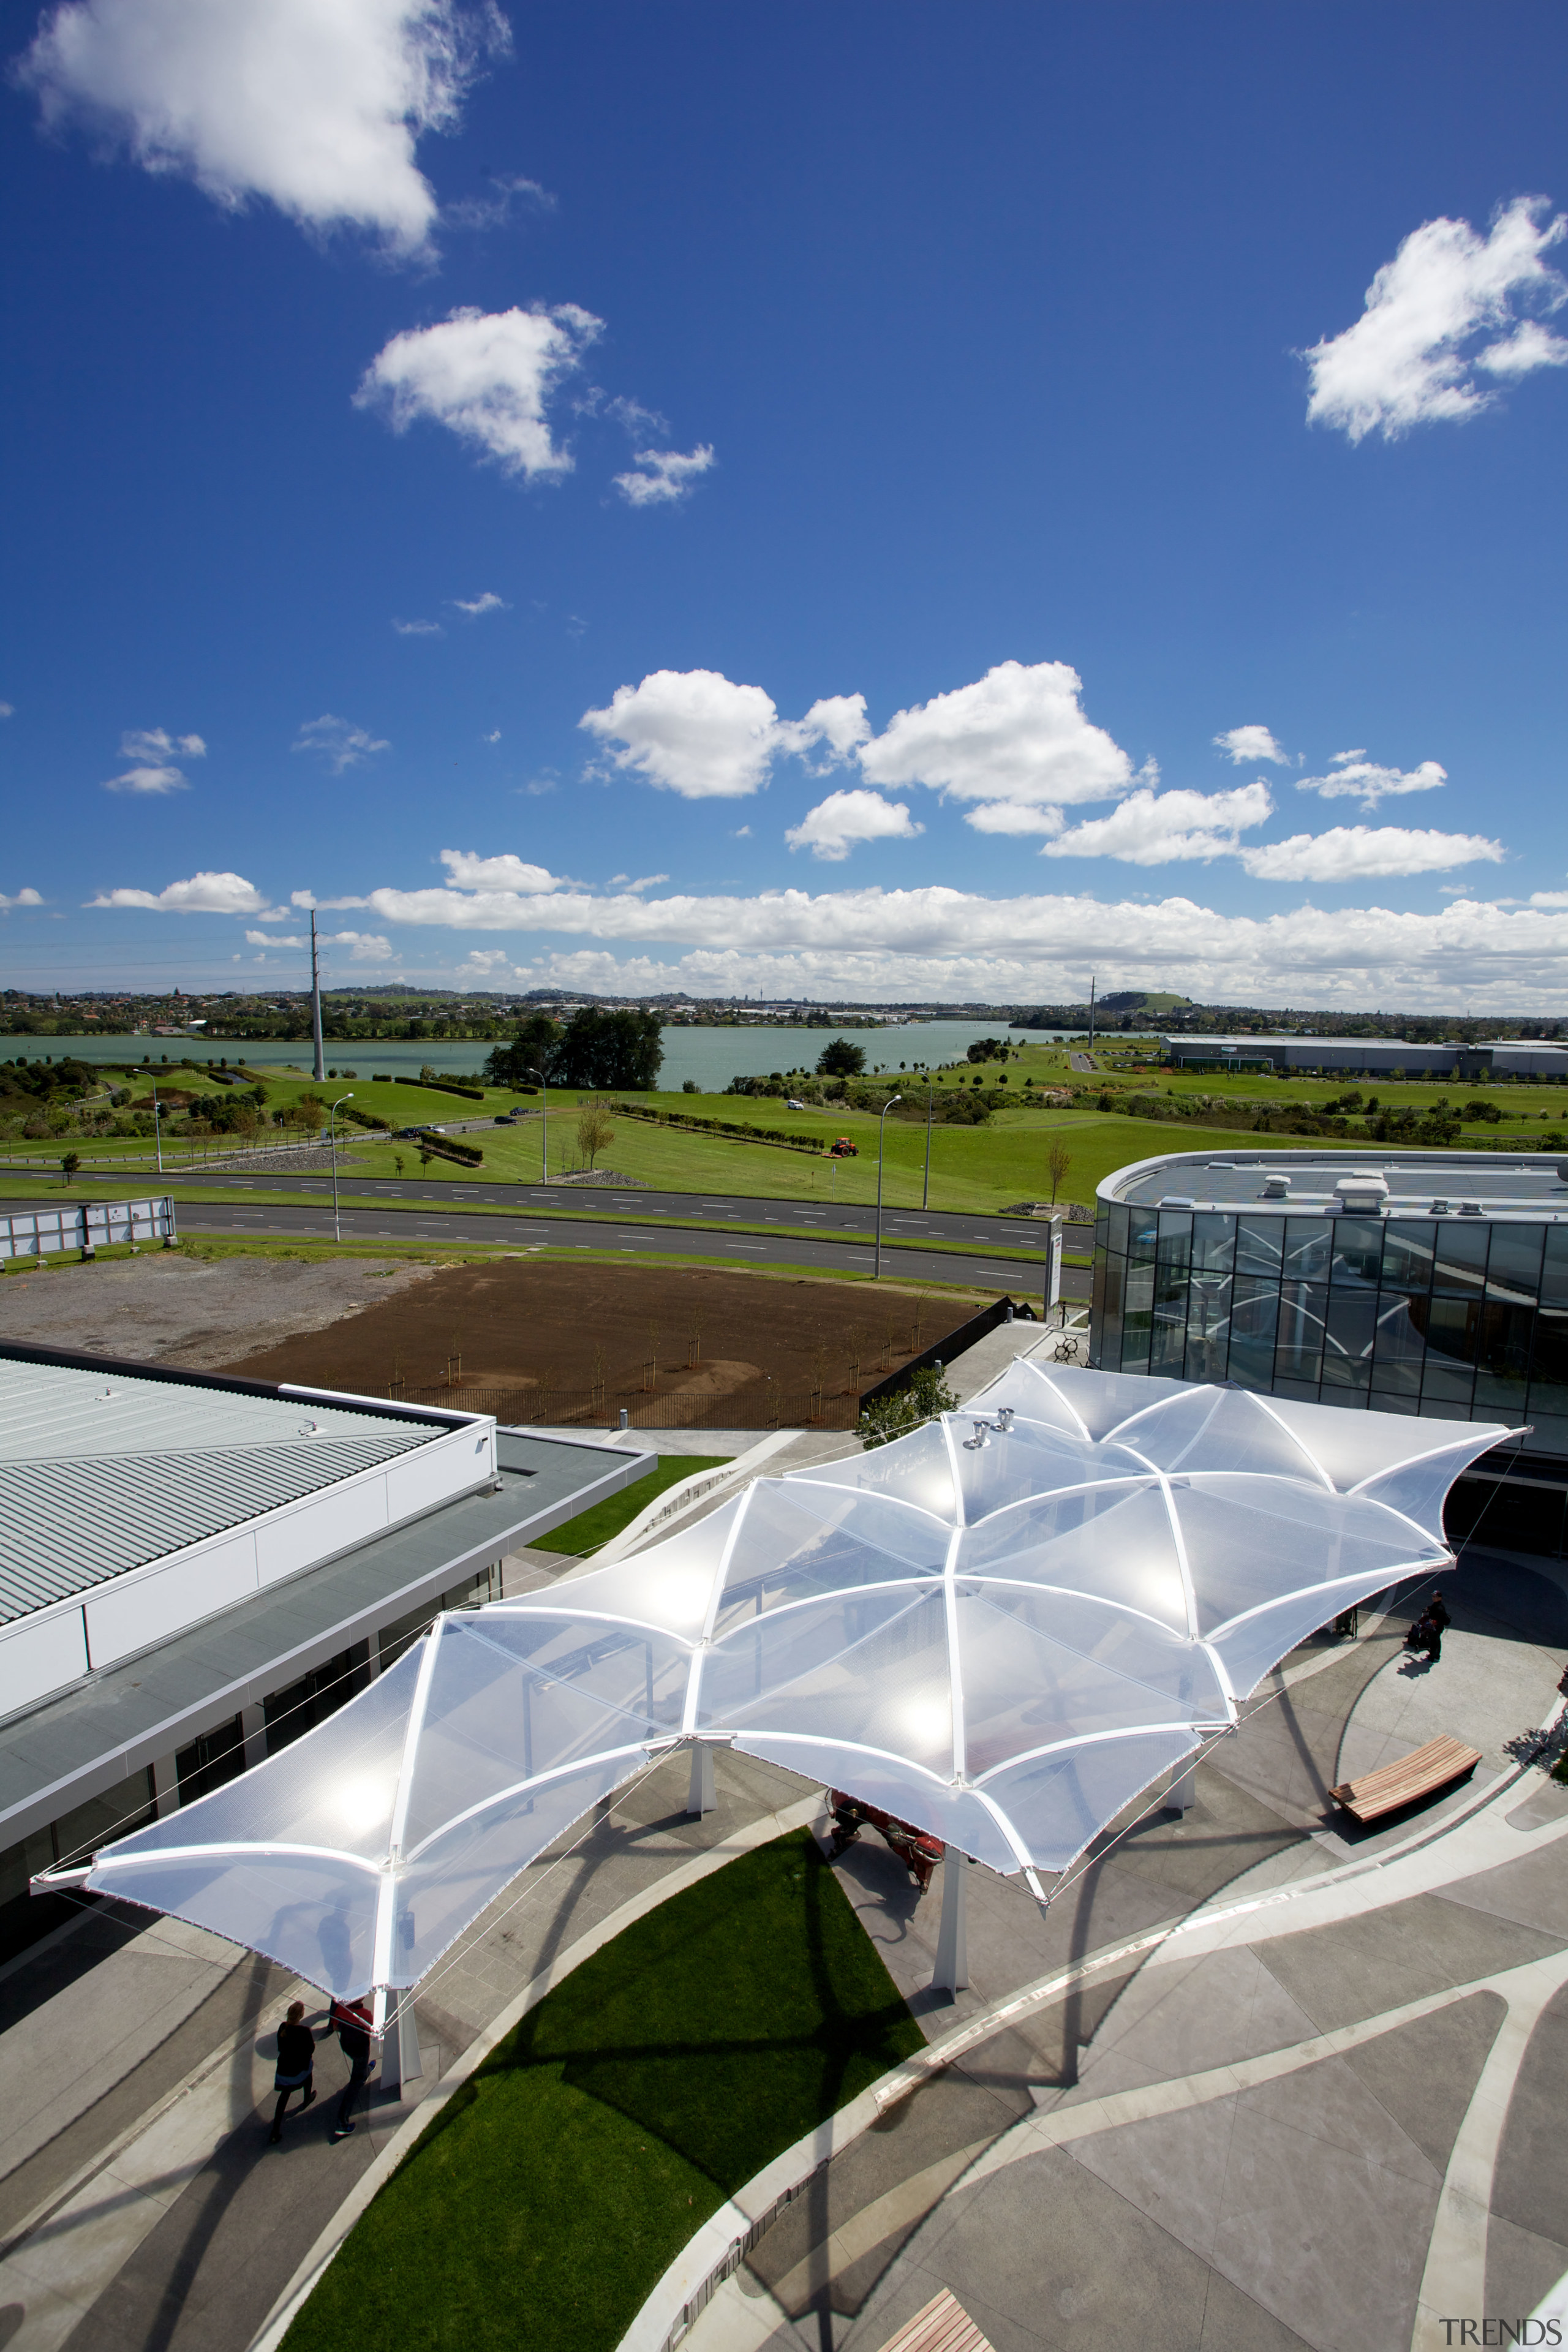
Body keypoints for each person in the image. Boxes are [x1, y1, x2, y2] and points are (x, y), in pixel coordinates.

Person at [328, 1997, 375, 2141]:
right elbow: (371, 2033)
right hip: (361, 2049)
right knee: (355, 2084)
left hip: (347, 2045)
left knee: (360, 2067)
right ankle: (341, 2124)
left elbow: (335, 2026)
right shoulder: (366, 2015)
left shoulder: (341, 2009)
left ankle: (365, 2071)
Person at [270, 2002, 318, 2143]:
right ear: (301, 2015)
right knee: (308, 2077)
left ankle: (275, 2130)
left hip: (284, 2069)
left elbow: (281, 2048)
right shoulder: (304, 2031)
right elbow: (311, 2049)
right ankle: (306, 2099)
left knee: (284, 2096)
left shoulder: (282, 2028)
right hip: (299, 2069)